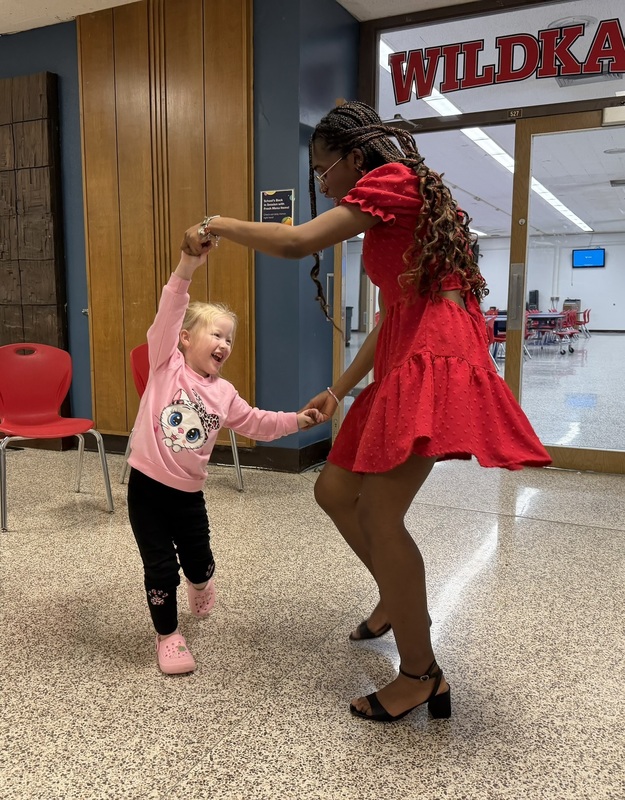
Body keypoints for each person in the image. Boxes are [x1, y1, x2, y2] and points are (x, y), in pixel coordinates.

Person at [181, 100, 551, 720]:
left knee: (382, 515)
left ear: (356, 159)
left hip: (431, 356)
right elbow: (394, 312)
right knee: (333, 490)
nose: (321, 183)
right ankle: (394, 596)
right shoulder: (400, 205)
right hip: (409, 349)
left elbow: (299, 242)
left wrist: (216, 222)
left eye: (323, 169)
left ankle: (420, 673)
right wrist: (342, 386)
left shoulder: (393, 183)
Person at [127, 243, 321, 676]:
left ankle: (201, 580)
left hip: (188, 496)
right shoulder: (165, 364)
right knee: (159, 566)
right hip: (145, 489)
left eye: (229, 338)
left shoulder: (224, 393)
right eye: (216, 334)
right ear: (184, 338)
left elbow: (256, 422)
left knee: (198, 561)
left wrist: (296, 421)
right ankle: (167, 635)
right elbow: (170, 308)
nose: (224, 343)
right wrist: (187, 265)